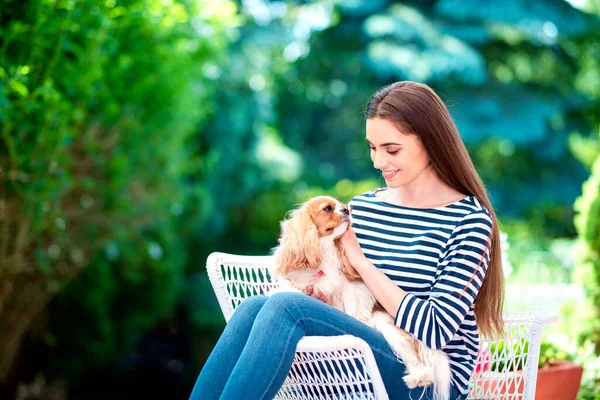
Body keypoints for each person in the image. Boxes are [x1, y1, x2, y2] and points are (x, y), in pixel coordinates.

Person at [189, 81, 504, 400]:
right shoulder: (363, 208)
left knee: (287, 308)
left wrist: (361, 262)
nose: (378, 162)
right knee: (256, 305)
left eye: (392, 150)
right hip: (353, 361)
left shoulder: (468, 222)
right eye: (372, 147)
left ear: (430, 142)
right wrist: (322, 296)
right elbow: (341, 290)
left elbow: (434, 329)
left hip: (424, 378)